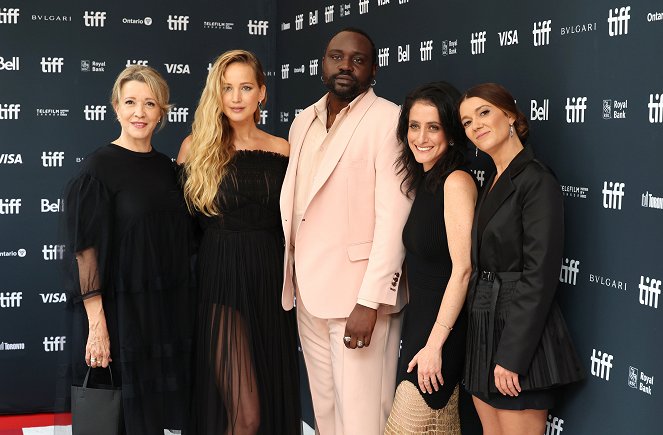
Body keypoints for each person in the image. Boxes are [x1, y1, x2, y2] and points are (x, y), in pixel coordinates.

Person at [280, 28, 412, 435]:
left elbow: (395, 218)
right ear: (323, 64)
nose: (345, 66)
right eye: (337, 57)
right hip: (309, 297)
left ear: (373, 69)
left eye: (357, 60)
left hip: (359, 302)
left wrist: (370, 300)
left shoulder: (389, 120)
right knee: (326, 415)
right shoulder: (303, 121)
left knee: (363, 419)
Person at [64, 65, 196, 434]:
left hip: (161, 313)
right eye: (131, 102)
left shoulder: (168, 169)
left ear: (162, 111)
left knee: (151, 418)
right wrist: (97, 325)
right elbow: (84, 250)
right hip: (118, 316)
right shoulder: (98, 168)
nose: (140, 112)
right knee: (116, 420)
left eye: (149, 103)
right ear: (116, 108)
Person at [177, 50, 300, 435]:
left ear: (261, 93)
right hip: (220, 280)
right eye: (227, 88)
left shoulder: (282, 149)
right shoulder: (194, 148)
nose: (235, 97)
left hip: (269, 281)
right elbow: (183, 230)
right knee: (246, 414)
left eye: (245, 87)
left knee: (270, 401)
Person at [458, 83, 584, 435]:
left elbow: (539, 275)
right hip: (483, 327)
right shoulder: (493, 181)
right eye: (467, 122)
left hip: (520, 337)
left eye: (484, 113)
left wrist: (512, 356)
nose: (475, 125)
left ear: (510, 115)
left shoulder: (536, 179)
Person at [384, 82, 477, 434]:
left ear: (451, 134)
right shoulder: (426, 179)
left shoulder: (455, 182)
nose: (421, 137)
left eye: (433, 127)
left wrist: (435, 344)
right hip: (420, 327)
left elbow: (463, 269)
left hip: (441, 335)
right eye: (414, 125)